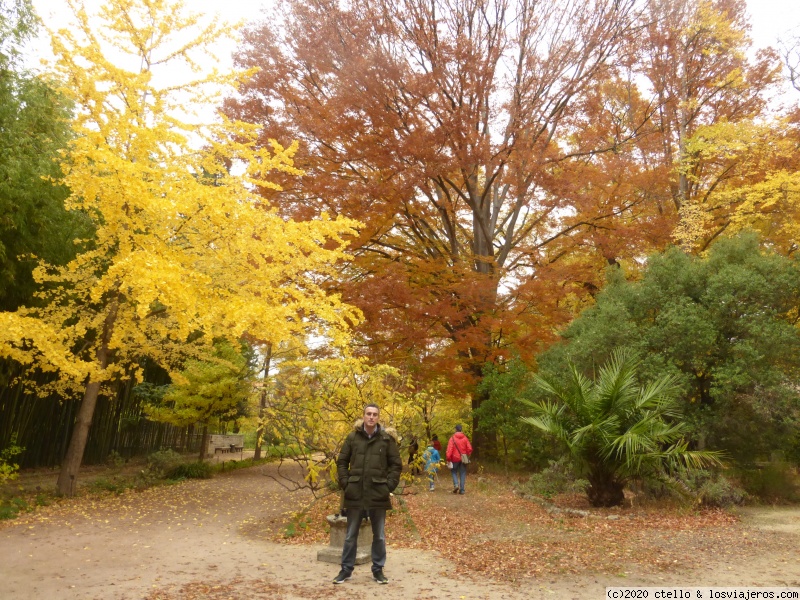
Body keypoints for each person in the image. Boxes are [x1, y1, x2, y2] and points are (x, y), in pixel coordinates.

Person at [333, 404, 402, 585]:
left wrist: (389, 486)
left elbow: (396, 465)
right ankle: (346, 570)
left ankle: (378, 569)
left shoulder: (387, 440)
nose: (371, 417)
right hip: (355, 492)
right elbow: (342, 461)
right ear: (363, 416)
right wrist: (346, 483)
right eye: (368, 414)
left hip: (378, 493)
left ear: (378, 417)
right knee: (350, 535)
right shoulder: (352, 437)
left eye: (375, 414)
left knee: (379, 535)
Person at [446, 424, 473, 495]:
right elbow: (470, 449)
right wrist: (466, 454)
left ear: (456, 429)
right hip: (463, 459)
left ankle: (456, 485)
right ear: (461, 430)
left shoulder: (452, 438)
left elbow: (449, 450)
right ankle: (462, 490)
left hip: (454, 458)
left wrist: (448, 459)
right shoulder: (465, 438)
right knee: (463, 473)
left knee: (453, 471)